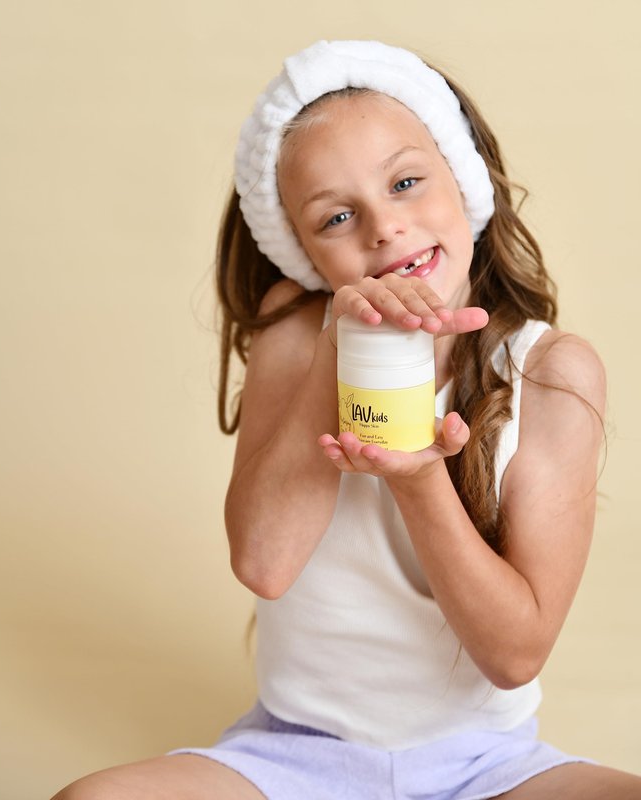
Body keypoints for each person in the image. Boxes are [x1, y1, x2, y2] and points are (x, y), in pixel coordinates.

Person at [52, 40, 641, 799]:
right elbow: (264, 563)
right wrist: (339, 345)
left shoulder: (550, 372)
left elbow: (514, 656)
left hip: (485, 767)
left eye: (405, 182)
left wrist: (418, 481)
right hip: (296, 759)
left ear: (464, 182)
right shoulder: (296, 334)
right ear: (304, 255)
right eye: (336, 216)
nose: (384, 228)